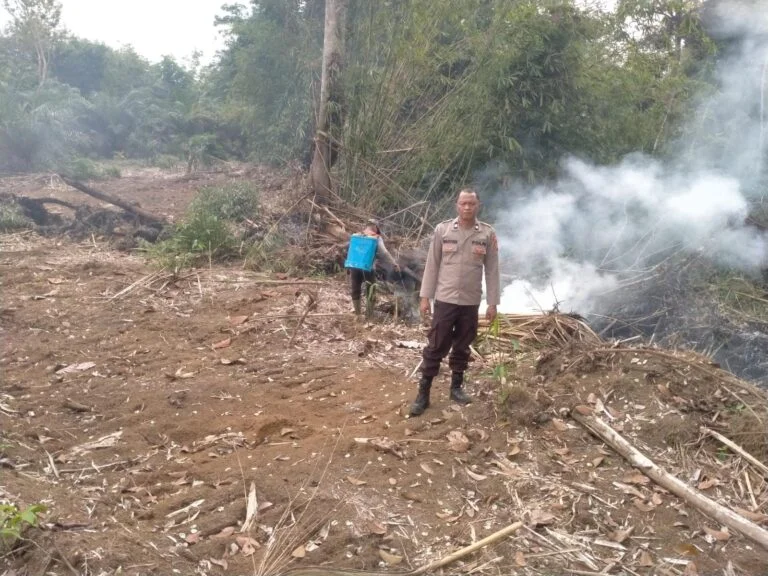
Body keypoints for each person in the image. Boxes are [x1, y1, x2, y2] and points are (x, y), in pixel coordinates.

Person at [410, 188, 500, 416]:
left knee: (462, 345)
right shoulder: (443, 230)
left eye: (471, 203)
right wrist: (424, 297)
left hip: (470, 301)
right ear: (456, 205)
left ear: (478, 205)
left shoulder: (487, 234)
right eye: (463, 203)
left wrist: (492, 302)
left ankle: (456, 387)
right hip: (445, 299)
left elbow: (492, 270)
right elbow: (432, 265)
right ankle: (423, 393)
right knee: (436, 345)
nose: (467, 207)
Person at [349, 219, 400, 316]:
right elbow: (384, 253)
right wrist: (394, 263)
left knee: (355, 289)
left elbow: (351, 251)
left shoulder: (357, 235)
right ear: (376, 227)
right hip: (368, 268)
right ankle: (369, 316)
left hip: (354, 266)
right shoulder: (376, 238)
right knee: (371, 290)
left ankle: (358, 315)